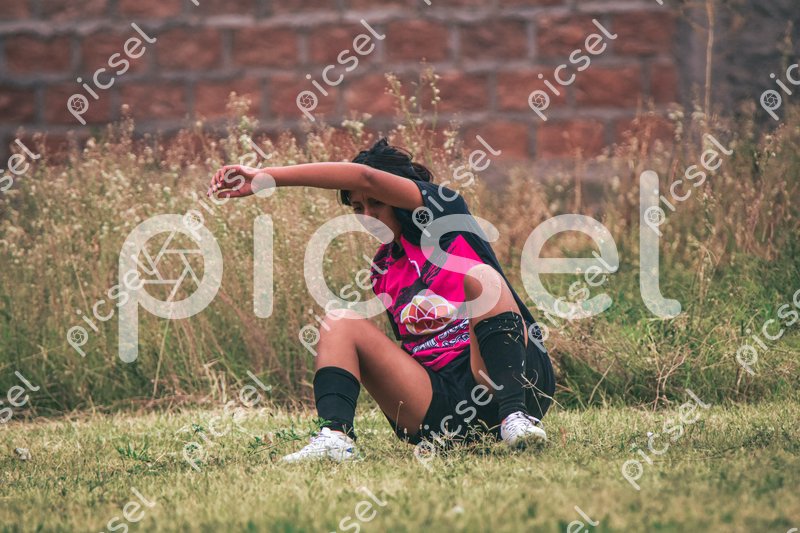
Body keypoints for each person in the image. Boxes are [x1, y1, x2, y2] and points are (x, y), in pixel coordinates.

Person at [208, 138, 556, 463]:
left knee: (484, 277)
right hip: (443, 410)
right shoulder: (382, 268)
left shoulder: (447, 212)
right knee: (340, 320)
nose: (367, 215)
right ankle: (335, 438)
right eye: (358, 207)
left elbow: (365, 177)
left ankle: (515, 418)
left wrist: (266, 177)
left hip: (507, 381)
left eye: (376, 203)